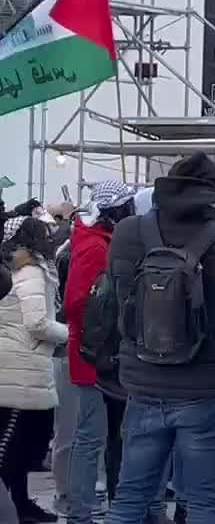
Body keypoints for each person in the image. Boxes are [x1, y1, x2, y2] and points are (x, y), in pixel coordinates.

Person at [107, 154, 215, 524]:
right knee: (205, 503)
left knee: (130, 497)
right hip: (204, 386)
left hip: (143, 383)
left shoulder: (129, 231)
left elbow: (119, 296)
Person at [64, 182, 138, 524]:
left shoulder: (99, 242)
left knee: (104, 437)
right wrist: (101, 334)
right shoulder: (94, 247)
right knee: (90, 438)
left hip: (100, 354)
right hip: (93, 355)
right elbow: (77, 302)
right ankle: (80, 513)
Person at [0, 216, 67, 523]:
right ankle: (16, 508)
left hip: (17, 366)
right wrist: (70, 334)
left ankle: (19, 504)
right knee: (15, 447)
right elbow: (37, 323)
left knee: (15, 448)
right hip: (23, 368)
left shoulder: (19, 271)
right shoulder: (32, 274)